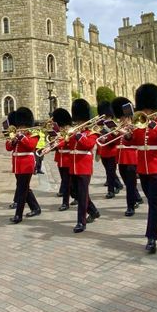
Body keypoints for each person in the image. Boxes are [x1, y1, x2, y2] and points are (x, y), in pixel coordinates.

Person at [123, 84, 157, 253]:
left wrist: (152, 124)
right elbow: (133, 142)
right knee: (154, 201)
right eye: (143, 109)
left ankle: (151, 238)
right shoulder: (139, 124)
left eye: (148, 109)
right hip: (143, 169)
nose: (145, 112)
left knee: (153, 203)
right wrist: (129, 134)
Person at [67, 99, 101, 233]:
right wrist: (66, 137)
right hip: (73, 165)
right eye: (78, 121)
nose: (79, 123)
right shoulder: (75, 132)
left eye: (81, 121)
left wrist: (78, 135)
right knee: (76, 192)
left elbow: (88, 145)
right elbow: (69, 146)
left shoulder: (92, 132)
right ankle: (93, 211)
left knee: (82, 195)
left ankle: (81, 222)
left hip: (84, 166)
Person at [5, 107, 42, 224]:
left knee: (21, 190)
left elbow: (31, 147)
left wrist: (21, 137)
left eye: (23, 126)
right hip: (17, 165)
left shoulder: (33, 135)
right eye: (19, 127)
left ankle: (18, 215)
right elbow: (8, 148)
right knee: (25, 188)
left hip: (27, 164)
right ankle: (35, 208)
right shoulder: (16, 135)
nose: (20, 129)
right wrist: (12, 140)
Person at [108, 97, 143, 216]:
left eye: (124, 117)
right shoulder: (119, 126)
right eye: (121, 117)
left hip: (132, 157)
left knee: (130, 183)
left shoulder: (136, 125)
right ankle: (137, 198)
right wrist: (112, 134)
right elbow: (112, 142)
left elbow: (135, 140)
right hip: (121, 158)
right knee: (128, 183)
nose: (122, 119)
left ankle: (130, 206)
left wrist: (127, 132)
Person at [50, 108, 73, 211]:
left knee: (67, 182)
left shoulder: (71, 131)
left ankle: (65, 203)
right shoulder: (59, 131)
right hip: (60, 159)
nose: (63, 127)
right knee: (65, 181)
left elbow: (70, 144)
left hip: (69, 158)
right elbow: (56, 146)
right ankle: (75, 197)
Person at [96, 101, 121, 199]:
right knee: (108, 171)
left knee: (110, 172)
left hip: (112, 151)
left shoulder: (113, 125)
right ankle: (118, 184)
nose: (105, 117)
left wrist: (106, 138)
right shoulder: (100, 123)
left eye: (106, 116)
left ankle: (111, 191)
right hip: (103, 151)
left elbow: (116, 138)